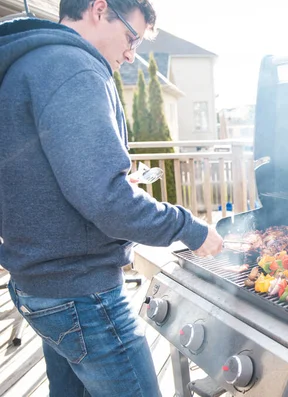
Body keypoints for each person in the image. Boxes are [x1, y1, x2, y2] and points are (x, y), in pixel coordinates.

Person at [0, 1, 223, 396]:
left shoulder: (29, 64)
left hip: (38, 284)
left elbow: (45, 174)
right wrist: (189, 227)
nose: (131, 53)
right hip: (80, 293)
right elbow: (104, 199)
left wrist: (110, 181)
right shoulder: (72, 67)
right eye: (131, 36)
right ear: (99, 9)